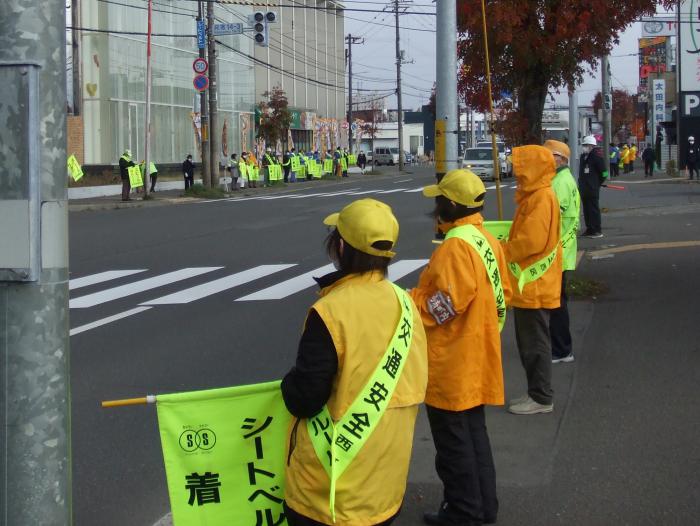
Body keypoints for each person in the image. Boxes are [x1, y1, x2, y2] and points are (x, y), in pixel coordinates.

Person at [281, 198, 428, 526]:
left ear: (342, 247)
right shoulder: (405, 303)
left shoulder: (331, 311)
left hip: (328, 494)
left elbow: (305, 398)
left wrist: (287, 384)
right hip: (385, 483)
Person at [411, 169, 512, 526]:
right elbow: (504, 292)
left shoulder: (456, 245)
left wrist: (410, 302)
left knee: (454, 445)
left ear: (450, 205)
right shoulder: (485, 238)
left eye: (439, 200)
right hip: (477, 352)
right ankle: (484, 507)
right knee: (474, 436)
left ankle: (463, 512)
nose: (435, 208)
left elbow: (444, 304)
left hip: (452, 360)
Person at [503, 145, 562, 415]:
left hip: (534, 284)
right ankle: (537, 394)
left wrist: (504, 249)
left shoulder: (540, 197)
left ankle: (540, 397)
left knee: (534, 344)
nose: (517, 172)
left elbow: (531, 241)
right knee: (532, 342)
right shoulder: (538, 194)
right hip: (535, 282)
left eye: (522, 166)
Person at [544, 140, 581, 364]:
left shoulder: (559, 183)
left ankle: (561, 350)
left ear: (561, 159)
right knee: (558, 301)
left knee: (556, 303)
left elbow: (550, 219)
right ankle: (561, 348)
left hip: (557, 249)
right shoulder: (564, 180)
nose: (547, 159)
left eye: (551, 155)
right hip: (564, 248)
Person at [578, 135, 605, 238]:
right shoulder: (583, 157)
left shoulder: (596, 157)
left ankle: (597, 230)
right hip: (584, 189)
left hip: (592, 188)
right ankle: (589, 229)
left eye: (586, 145)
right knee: (586, 210)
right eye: (584, 145)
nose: (584, 147)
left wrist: (598, 183)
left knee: (593, 210)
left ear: (591, 146)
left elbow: (604, 173)